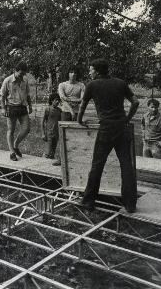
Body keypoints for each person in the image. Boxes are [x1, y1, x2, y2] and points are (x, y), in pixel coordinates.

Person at [77, 59, 139, 213]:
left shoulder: (92, 85)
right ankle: (130, 204)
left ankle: (88, 202)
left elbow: (82, 106)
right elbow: (136, 102)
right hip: (121, 128)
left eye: (91, 70)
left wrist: (79, 120)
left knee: (97, 165)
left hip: (106, 129)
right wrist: (127, 119)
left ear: (97, 71)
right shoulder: (120, 83)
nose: (89, 72)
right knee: (126, 165)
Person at [0, 61, 33, 161]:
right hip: (11, 107)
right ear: (15, 71)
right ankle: (12, 152)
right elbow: (2, 96)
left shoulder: (25, 80)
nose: (22, 76)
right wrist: (3, 108)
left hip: (22, 106)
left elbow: (27, 95)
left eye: (24, 74)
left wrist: (30, 106)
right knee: (11, 130)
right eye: (20, 73)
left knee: (26, 129)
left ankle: (16, 145)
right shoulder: (7, 80)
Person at [42, 93, 62, 166]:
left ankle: (49, 167)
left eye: (58, 100)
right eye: (56, 100)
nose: (57, 102)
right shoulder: (48, 109)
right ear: (51, 100)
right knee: (48, 151)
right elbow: (42, 122)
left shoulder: (60, 110)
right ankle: (42, 164)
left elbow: (60, 122)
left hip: (56, 134)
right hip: (49, 133)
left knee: (53, 151)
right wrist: (43, 133)